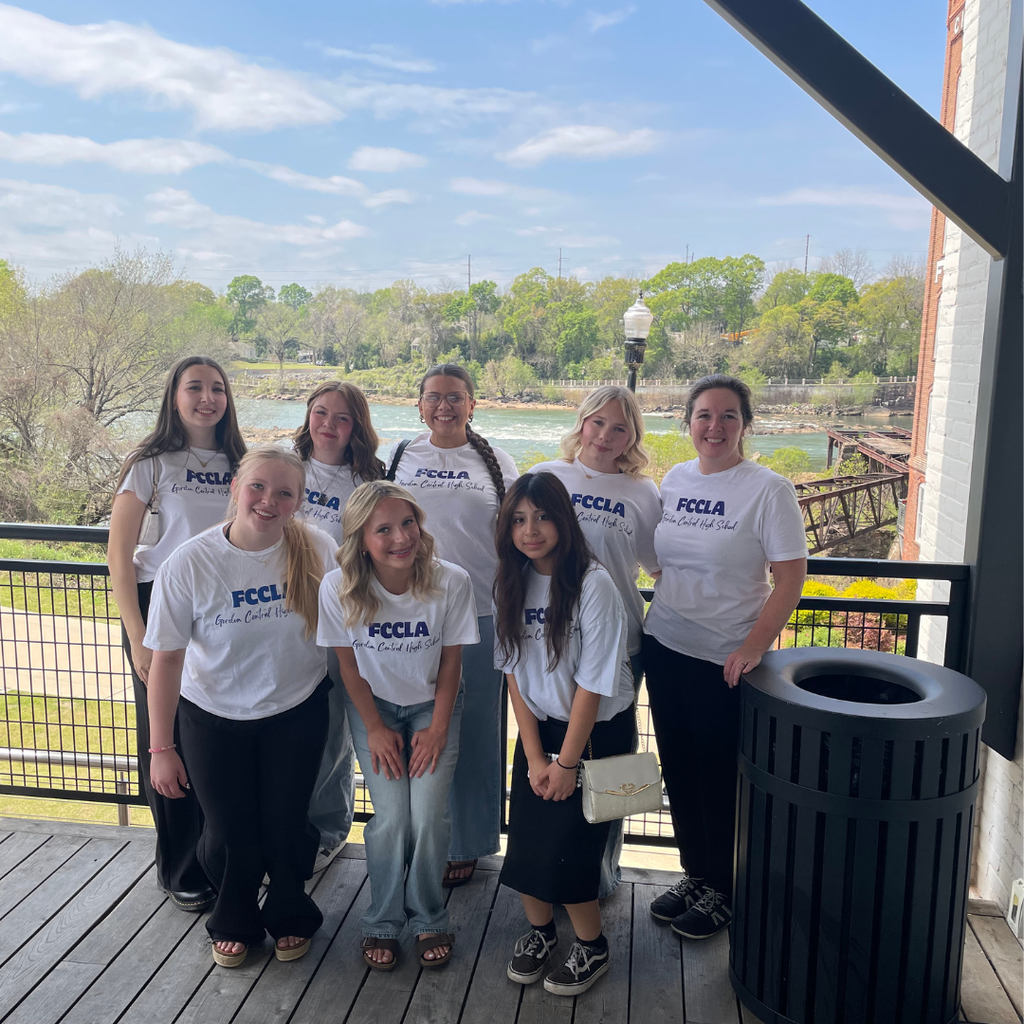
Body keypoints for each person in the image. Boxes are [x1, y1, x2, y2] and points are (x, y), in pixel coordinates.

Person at [144, 446, 338, 968]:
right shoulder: (189, 562)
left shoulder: (319, 549)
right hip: (213, 717)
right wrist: (161, 747)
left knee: (285, 822)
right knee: (229, 830)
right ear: (234, 487)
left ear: (299, 501)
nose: (268, 501)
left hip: (296, 711)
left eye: (284, 492)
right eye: (257, 487)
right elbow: (165, 663)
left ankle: (290, 912)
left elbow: (358, 615)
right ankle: (234, 918)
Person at [643, 374, 807, 939]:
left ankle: (726, 887)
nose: (715, 427)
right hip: (665, 645)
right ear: (687, 422)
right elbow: (662, 556)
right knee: (680, 769)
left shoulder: (768, 489)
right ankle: (696, 873)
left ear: (745, 424)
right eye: (704, 415)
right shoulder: (675, 478)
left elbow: (789, 578)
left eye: (728, 416)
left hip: (725, 661)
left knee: (720, 775)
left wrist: (753, 647)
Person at [317, 481, 479, 971]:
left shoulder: (451, 580)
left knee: (428, 814)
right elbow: (348, 668)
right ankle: (383, 921)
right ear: (360, 539)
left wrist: (437, 729)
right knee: (391, 817)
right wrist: (376, 728)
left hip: (434, 706)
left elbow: (452, 666)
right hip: (375, 710)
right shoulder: (338, 586)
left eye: (407, 522)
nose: (400, 537)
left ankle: (429, 915)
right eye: (383, 529)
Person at [107, 355, 246, 912]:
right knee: (168, 740)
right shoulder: (150, 461)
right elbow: (119, 555)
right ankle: (181, 867)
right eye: (195, 388)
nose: (207, 398)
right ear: (174, 396)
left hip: (225, 609)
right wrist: (137, 635)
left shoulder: (242, 460)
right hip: (159, 608)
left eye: (217, 388)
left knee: (219, 738)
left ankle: (226, 858)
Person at [493, 472, 636, 996]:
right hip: (540, 732)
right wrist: (533, 757)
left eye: (544, 516)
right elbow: (512, 672)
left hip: (597, 734)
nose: (531, 530)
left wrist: (567, 764)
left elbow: (592, 686)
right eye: (520, 519)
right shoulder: (509, 580)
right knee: (529, 843)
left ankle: (592, 948)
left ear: (564, 521)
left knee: (575, 848)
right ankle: (540, 933)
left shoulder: (593, 584)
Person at [385, 363, 518, 888]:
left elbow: (516, 539)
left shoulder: (497, 462)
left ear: (472, 404)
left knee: (478, 729)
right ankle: (419, 834)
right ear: (419, 405)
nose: (445, 406)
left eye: (455, 398)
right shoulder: (398, 457)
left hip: (481, 612)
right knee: (415, 724)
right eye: (435, 398)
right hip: (407, 614)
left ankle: (467, 840)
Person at [528, 385, 662, 897]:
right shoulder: (545, 477)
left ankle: (602, 875)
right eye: (597, 422)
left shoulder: (642, 492)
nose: (606, 436)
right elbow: (519, 550)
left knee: (610, 763)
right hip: (546, 640)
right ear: (581, 423)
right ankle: (549, 870)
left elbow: (658, 566)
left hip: (620, 641)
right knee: (550, 752)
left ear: (633, 437)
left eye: (620, 427)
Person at [293, 381, 386, 873]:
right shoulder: (284, 468)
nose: (328, 424)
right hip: (279, 618)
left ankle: (326, 831)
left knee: (332, 728)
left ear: (357, 428)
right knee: (286, 726)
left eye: (342, 417)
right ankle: (283, 826)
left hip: (339, 618)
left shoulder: (366, 482)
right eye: (320, 412)